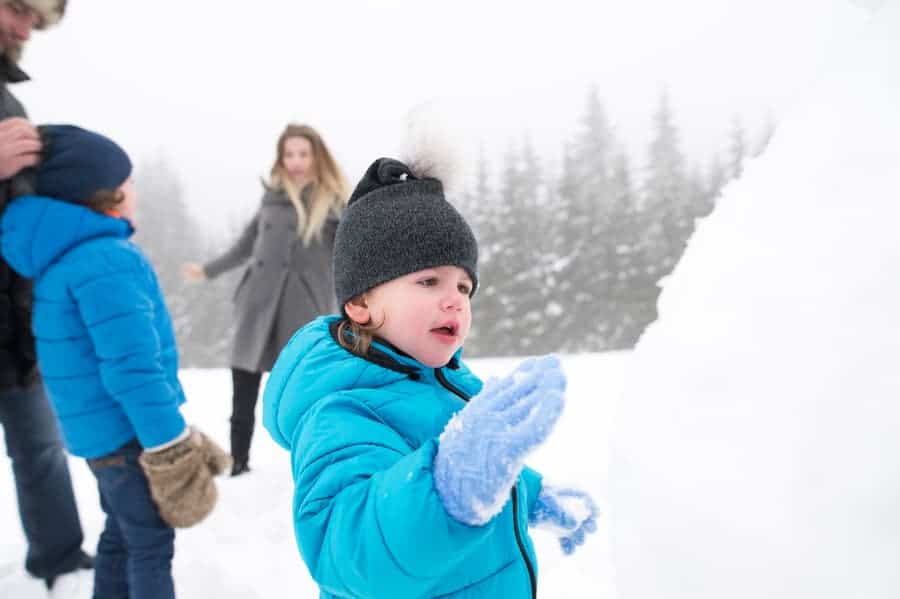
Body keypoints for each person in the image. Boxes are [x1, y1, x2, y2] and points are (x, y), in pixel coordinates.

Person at [261, 156, 598, 598]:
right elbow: (348, 548)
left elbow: (460, 455)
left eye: (464, 286)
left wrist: (530, 493)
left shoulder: (445, 386)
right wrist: (452, 486)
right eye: (428, 282)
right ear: (361, 303)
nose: (455, 300)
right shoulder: (341, 411)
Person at [0, 125, 230, 599]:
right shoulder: (107, 260)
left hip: (96, 437)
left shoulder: (60, 262)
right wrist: (169, 443)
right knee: (149, 544)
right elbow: (131, 368)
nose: (136, 192)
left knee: (120, 534)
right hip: (128, 436)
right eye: (128, 183)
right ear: (104, 195)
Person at [183, 123, 348, 476]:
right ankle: (238, 465)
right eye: (289, 154)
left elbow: (348, 255)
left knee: (303, 392)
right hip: (257, 303)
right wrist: (208, 270)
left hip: (302, 307)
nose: (296, 161)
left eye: (303, 153)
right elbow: (245, 245)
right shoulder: (271, 197)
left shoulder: (332, 203)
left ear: (317, 156)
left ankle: (311, 465)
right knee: (243, 389)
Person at [0, 0, 94, 592]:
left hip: (13, 316)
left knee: (40, 446)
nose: (25, 28)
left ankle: (60, 559)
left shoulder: (9, 99)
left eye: (37, 20)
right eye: (16, 8)